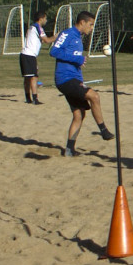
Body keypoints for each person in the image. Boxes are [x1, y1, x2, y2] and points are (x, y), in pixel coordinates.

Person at [50, 11, 113, 157]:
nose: (91, 28)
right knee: (94, 96)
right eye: (90, 25)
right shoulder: (67, 33)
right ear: (82, 22)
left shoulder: (78, 37)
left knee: (79, 114)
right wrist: (76, 59)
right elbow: (53, 51)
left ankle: (69, 149)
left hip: (73, 79)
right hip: (65, 79)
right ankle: (103, 130)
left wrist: (78, 61)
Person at [20, 10, 55, 105]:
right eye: (45, 18)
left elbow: (40, 40)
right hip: (29, 55)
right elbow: (47, 40)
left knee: (28, 77)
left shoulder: (31, 27)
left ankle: (28, 98)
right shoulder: (38, 27)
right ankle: (35, 99)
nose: (46, 20)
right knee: (34, 77)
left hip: (26, 54)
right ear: (41, 19)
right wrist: (57, 36)